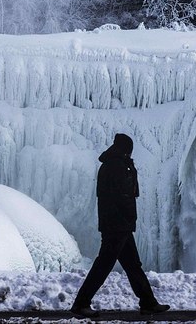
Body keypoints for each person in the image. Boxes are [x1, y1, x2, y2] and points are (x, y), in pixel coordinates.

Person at [70, 133, 170, 318]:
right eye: (129, 151)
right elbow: (122, 196)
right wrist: (124, 220)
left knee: (132, 265)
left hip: (119, 224)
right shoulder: (115, 166)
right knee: (104, 265)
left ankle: (148, 302)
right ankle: (81, 304)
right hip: (117, 225)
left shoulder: (116, 165)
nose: (130, 155)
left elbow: (127, 193)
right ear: (125, 150)